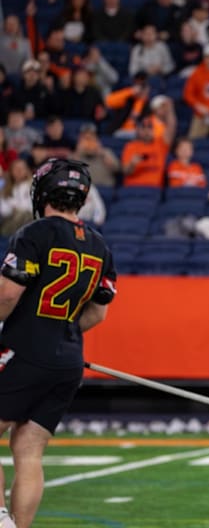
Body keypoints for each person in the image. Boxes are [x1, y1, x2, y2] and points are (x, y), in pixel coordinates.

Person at [0, 159, 117, 528]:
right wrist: (60, 330)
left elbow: (6, 296)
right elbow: (97, 314)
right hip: (67, 358)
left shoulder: (33, 235)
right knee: (28, 448)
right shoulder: (100, 246)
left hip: (24, 349)